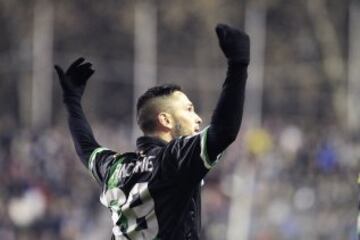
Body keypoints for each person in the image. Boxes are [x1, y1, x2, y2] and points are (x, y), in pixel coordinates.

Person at [55, 23, 250, 240]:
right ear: (165, 120)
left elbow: (86, 147)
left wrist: (72, 102)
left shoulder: (114, 167)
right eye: (189, 109)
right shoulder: (173, 160)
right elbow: (224, 131)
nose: (198, 117)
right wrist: (238, 65)